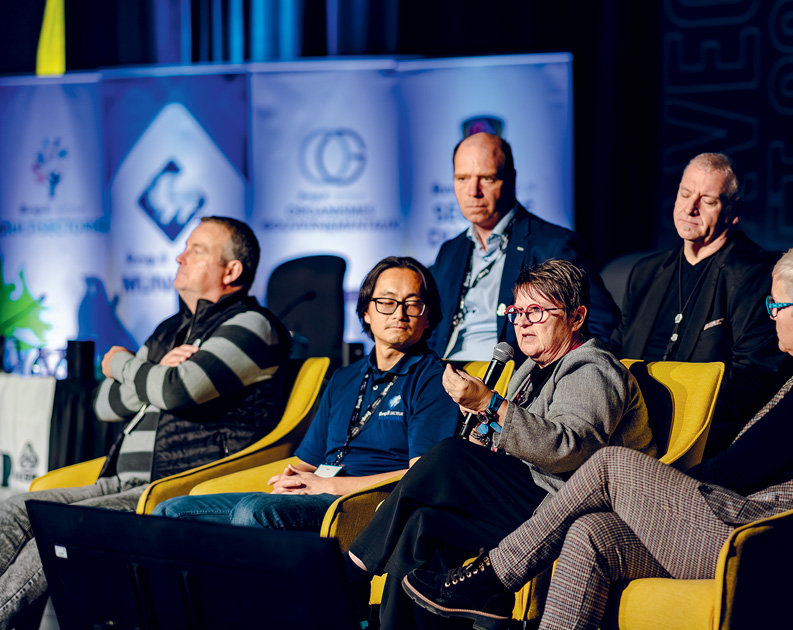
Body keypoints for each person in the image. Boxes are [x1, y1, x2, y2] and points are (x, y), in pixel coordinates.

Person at [398, 242, 793, 630]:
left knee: (611, 464)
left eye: (776, 304)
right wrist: (646, 495)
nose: (769, 313)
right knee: (591, 532)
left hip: (758, 545)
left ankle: (496, 575)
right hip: (733, 529)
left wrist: (647, 488)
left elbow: (738, 471)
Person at [0, 216, 292, 627]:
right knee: (13, 510)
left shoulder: (252, 326)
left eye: (196, 250)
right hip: (122, 479)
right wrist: (155, 369)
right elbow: (106, 403)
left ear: (232, 270)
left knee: (55, 530)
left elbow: (176, 391)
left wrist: (123, 361)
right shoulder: (169, 331)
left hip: (173, 482)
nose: (179, 256)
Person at [346, 259, 657, 630]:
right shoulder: (528, 370)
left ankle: (354, 570)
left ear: (576, 317)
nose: (522, 322)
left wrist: (491, 404)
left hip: (565, 506)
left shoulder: (593, 368)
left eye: (537, 311)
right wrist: (482, 428)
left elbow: (568, 449)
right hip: (523, 499)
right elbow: (509, 441)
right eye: (517, 311)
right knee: (423, 524)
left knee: (448, 455)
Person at [152, 257, 459, 530]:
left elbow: (422, 475)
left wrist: (329, 485)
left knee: (254, 512)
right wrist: (292, 477)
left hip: (367, 501)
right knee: (171, 510)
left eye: (413, 303)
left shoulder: (434, 379)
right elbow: (309, 461)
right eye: (387, 302)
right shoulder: (345, 378)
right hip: (321, 491)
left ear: (429, 317)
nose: (399, 314)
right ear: (366, 311)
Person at [607, 152, 792, 456]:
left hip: (698, 442)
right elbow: (615, 355)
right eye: (685, 194)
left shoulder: (754, 275)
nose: (690, 208)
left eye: (707, 201)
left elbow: (753, 381)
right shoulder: (646, 272)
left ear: (733, 212)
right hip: (625, 431)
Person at [428, 132, 617, 362]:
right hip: (442, 380)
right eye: (462, 179)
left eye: (487, 178)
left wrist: (549, 382)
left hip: (511, 384)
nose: (473, 191)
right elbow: (432, 331)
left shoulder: (555, 245)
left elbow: (600, 325)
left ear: (511, 179)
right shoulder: (450, 251)